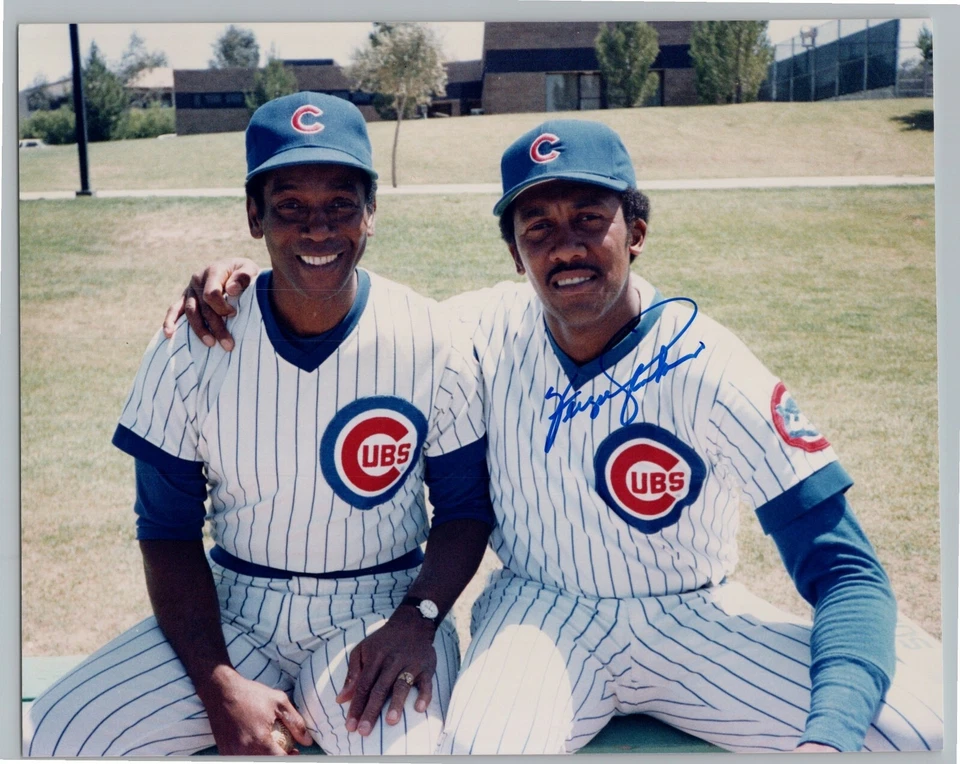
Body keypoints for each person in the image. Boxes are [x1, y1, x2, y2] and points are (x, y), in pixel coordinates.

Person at [163, 119, 943, 754]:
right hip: (544, 618)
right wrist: (236, 281)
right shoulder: (474, 331)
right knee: (488, 750)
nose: (564, 246)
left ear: (635, 230)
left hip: (696, 618)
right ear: (514, 250)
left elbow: (847, 572)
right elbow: (339, 295)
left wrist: (826, 743)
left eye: (589, 221)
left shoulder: (712, 366)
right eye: (538, 227)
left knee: (914, 729)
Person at [22, 92, 494, 757]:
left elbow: (466, 510)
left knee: (396, 750)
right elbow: (165, 530)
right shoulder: (194, 340)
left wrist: (419, 618)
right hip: (237, 610)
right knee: (56, 733)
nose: (318, 229)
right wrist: (218, 683)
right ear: (254, 216)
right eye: (290, 206)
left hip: (383, 607)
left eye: (340, 205)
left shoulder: (434, 338)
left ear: (371, 213)